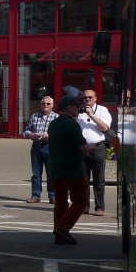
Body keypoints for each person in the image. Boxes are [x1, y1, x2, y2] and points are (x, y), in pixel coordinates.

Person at [47, 95, 95, 245]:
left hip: (55, 170)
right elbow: (82, 146)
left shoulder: (53, 124)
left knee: (60, 202)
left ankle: (59, 235)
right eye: (75, 106)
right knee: (81, 200)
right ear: (68, 108)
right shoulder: (72, 125)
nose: (78, 109)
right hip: (72, 169)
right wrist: (94, 147)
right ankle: (63, 228)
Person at [76, 90, 113, 216]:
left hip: (97, 148)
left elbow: (105, 128)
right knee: (83, 180)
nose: (87, 99)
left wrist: (92, 115)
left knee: (98, 180)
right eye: (85, 97)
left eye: (90, 97)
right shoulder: (79, 111)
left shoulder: (102, 110)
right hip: (82, 149)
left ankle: (99, 207)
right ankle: (84, 206)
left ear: (95, 98)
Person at [22, 96, 57, 204]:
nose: (45, 106)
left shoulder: (56, 117)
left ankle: (53, 196)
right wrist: (32, 135)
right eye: (43, 104)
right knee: (36, 173)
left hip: (50, 147)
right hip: (36, 146)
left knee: (51, 173)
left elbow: (60, 133)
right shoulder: (35, 116)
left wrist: (50, 134)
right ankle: (35, 195)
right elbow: (26, 131)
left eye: (48, 104)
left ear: (52, 105)